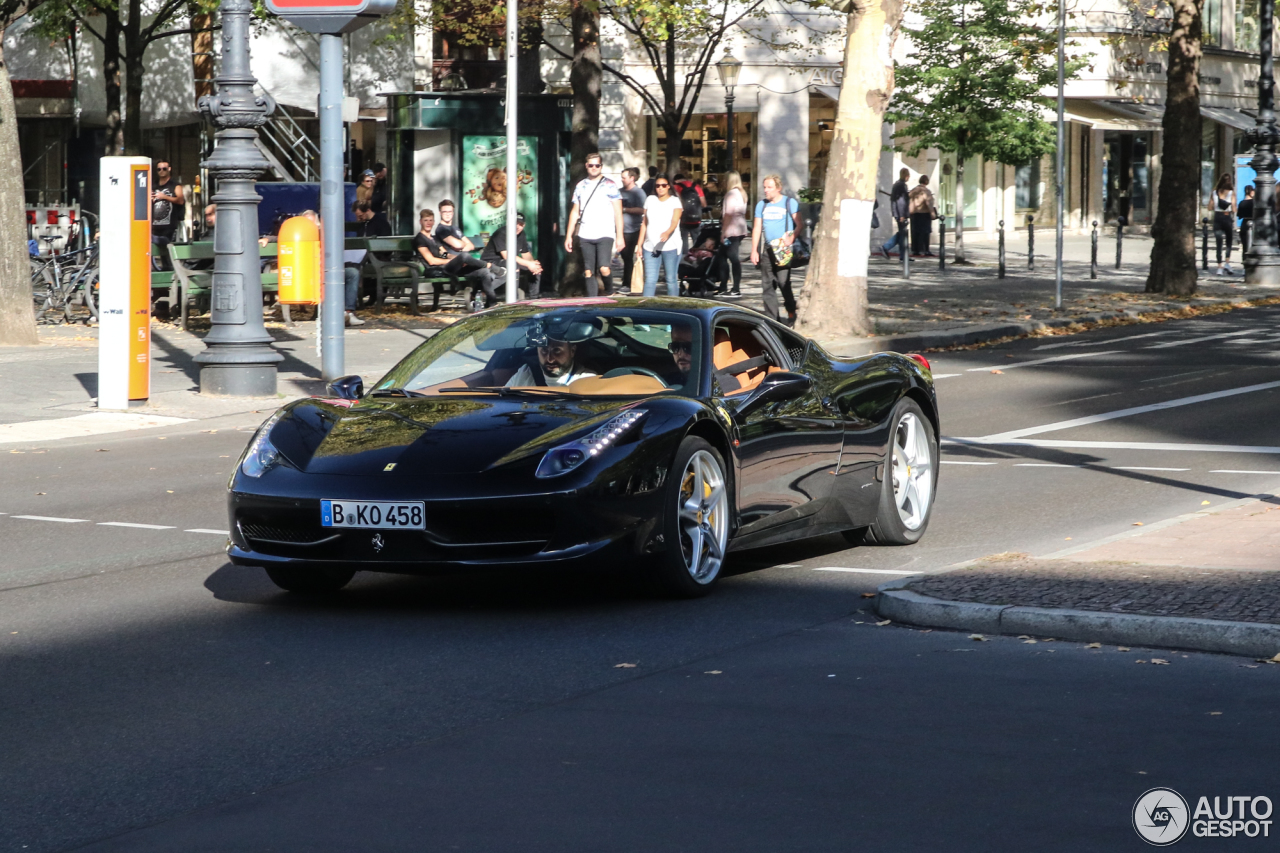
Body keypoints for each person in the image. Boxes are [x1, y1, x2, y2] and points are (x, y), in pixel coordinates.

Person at [565, 152, 624, 297]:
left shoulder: (610, 185)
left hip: (605, 233)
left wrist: (620, 236)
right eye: (591, 165)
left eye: (597, 165)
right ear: (586, 166)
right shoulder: (580, 185)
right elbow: (574, 212)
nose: (594, 168)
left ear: (601, 166)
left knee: (604, 267)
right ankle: (592, 301)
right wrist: (569, 236)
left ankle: (610, 291)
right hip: (586, 233)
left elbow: (618, 212)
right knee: (588, 270)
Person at [413, 209, 499, 308]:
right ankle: (489, 265)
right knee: (465, 256)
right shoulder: (420, 239)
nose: (428, 223)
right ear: (420, 221)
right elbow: (431, 261)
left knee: (484, 272)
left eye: (431, 220)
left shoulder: (434, 238)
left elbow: (444, 254)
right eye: (425, 220)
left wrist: (457, 259)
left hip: (449, 268)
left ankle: (492, 304)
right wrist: (455, 260)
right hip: (437, 270)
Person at [749, 174, 801, 325]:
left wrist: (792, 237)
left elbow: (800, 224)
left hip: (783, 249)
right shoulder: (762, 205)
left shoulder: (789, 203)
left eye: (769, 187)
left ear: (778, 188)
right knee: (767, 284)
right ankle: (772, 319)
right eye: (764, 187)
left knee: (784, 282)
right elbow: (757, 228)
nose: (766, 190)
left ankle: (791, 310)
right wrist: (754, 250)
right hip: (768, 249)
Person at [635, 175, 682, 297]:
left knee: (671, 279)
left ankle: (674, 307)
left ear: (668, 187)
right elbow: (644, 224)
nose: (660, 188)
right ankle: (647, 308)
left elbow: (675, 221)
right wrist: (639, 245)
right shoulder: (650, 200)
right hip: (650, 246)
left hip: (670, 246)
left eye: (663, 185)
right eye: (657, 185)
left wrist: (667, 232)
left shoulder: (674, 201)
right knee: (650, 280)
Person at [482, 213, 543, 299]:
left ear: (524, 225)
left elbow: (525, 253)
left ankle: (534, 298)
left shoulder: (521, 234)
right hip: (491, 261)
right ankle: (514, 298)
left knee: (536, 267)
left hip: (509, 261)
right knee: (514, 265)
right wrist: (529, 264)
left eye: (521, 224)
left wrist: (533, 265)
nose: (518, 227)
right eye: (515, 223)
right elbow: (507, 256)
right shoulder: (501, 233)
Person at [505, 336, 598, 387]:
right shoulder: (525, 373)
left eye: (557, 350)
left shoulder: (588, 380)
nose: (550, 359)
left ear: (572, 351)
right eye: (544, 351)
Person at [718, 171, 748, 297]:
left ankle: (734, 288)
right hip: (740, 227)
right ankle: (724, 286)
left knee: (730, 257)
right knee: (724, 256)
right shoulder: (742, 193)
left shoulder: (731, 194)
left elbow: (728, 214)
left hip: (732, 229)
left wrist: (723, 231)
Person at [151, 159, 185, 270]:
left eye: (164, 169)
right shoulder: (154, 185)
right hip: (155, 223)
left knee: (168, 251)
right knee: (159, 252)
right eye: (159, 169)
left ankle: (171, 272)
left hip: (169, 224)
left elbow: (180, 200)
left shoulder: (175, 185)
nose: (162, 171)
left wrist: (165, 197)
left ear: (169, 169)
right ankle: (165, 271)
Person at [619, 167, 647, 295]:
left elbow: (643, 210)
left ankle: (629, 283)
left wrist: (625, 210)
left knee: (630, 257)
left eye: (624, 177)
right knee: (625, 257)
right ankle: (627, 281)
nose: (622, 180)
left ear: (632, 178)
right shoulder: (618, 191)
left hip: (634, 229)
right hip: (621, 230)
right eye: (622, 177)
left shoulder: (638, 193)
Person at [881, 168, 911, 259]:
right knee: (902, 234)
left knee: (902, 233)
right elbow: (901, 202)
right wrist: (902, 215)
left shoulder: (897, 185)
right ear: (906, 176)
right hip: (900, 214)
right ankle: (887, 247)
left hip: (897, 213)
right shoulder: (901, 186)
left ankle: (902, 254)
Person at [673, 172, 706, 253]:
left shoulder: (675, 187)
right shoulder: (696, 186)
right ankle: (697, 258)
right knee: (697, 240)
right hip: (696, 219)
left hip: (682, 219)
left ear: (676, 180)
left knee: (683, 240)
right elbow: (704, 204)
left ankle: (684, 258)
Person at [1212, 173, 1236, 275]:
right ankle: (1227, 263)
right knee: (1229, 241)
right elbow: (1234, 209)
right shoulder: (1231, 193)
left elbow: (1209, 207)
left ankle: (1219, 267)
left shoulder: (1214, 192)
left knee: (1218, 242)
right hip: (1227, 217)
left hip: (1217, 217)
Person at [907, 175, 937, 257]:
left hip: (914, 213)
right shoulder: (926, 191)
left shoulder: (913, 191)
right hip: (924, 214)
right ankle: (925, 250)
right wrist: (932, 213)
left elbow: (909, 198)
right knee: (925, 232)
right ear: (926, 182)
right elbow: (928, 203)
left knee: (915, 232)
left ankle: (915, 249)